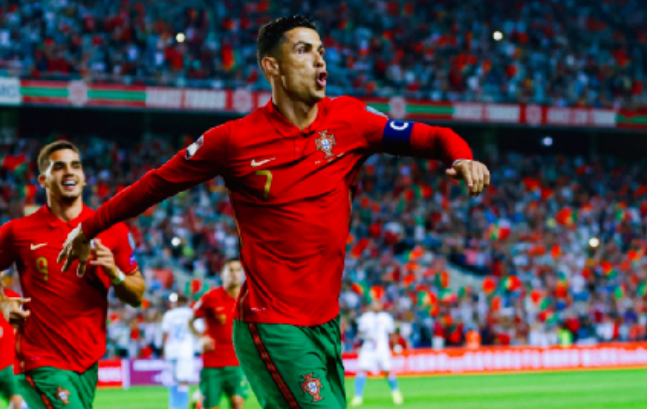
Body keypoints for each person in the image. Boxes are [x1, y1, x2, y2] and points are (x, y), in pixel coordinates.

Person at [58, 15, 489, 408]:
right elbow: (155, 184)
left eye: (321, 50)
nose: (319, 60)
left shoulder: (350, 120)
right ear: (272, 67)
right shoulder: (234, 140)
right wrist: (87, 228)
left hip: (326, 324)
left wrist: (462, 156)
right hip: (272, 324)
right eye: (303, 50)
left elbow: (433, 136)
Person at [0, 140, 146, 409]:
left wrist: (115, 273)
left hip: (87, 360)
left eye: (75, 166)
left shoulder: (113, 230)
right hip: (39, 359)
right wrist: (2, 302)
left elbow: (136, 296)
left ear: (84, 178)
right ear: (43, 180)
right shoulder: (18, 231)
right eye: (59, 167)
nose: (69, 172)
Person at [189, 260, 248, 409]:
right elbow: (190, 320)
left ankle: (199, 398)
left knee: (237, 402)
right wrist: (201, 337)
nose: (235, 274)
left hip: (238, 360)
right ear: (222, 274)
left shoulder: (247, 299)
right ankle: (199, 401)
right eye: (231, 270)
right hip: (213, 361)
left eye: (238, 270)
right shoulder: (210, 297)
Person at [351, 300, 402, 406]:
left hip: (382, 347)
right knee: (362, 370)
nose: (376, 306)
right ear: (371, 306)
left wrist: (396, 345)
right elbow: (359, 332)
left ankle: (396, 393)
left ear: (381, 305)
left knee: (387, 370)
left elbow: (392, 333)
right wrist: (363, 338)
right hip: (368, 347)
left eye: (378, 304)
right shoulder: (366, 317)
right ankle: (358, 396)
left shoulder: (386, 317)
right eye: (374, 304)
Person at [162, 293, 196, 409]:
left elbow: (165, 334)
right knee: (183, 381)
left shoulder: (169, 314)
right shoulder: (191, 313)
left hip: (171, 350)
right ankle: (182, 407)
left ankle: (173, 406)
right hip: (185, 351)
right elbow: (198, 330)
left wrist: (163, 350)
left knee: (174, 380)